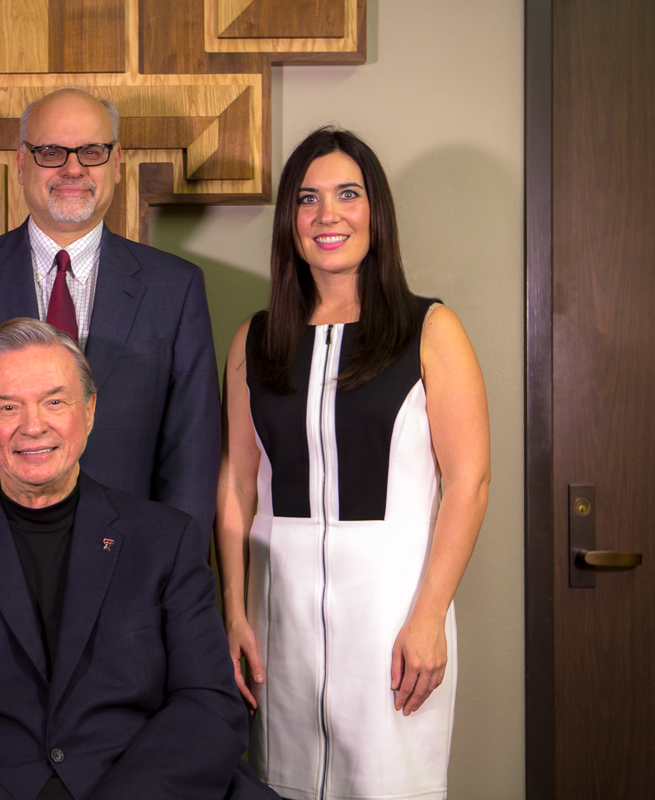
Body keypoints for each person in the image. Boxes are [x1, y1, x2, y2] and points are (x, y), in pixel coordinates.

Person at [0, 319, 276, 800]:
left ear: (89, 410)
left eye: (54, 401)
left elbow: (208, 706)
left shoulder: (165, 540)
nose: (33, 425)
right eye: (7, 407)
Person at [215, 127, 490, 800]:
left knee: (389, 783)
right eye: (308, 199)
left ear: (377, 212)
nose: (327, 215)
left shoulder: (431, 330)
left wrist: (429, 616)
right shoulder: (256, 340)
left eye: (347, 194)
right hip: (282, 616)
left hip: (394, 612)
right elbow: (237, 484)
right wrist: (234, 611)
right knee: (281, 783)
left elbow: (469, 482)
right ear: (290, 221)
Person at [0, 87, 221, 534]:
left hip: (132, 562)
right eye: (51, 151)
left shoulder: (176, 286)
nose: (73, 168)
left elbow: (193, 454)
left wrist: (173, 577)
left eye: (92, 151)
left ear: (117, 161)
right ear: (22, 162)